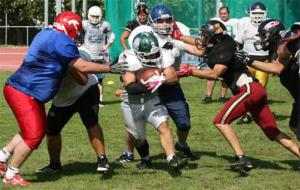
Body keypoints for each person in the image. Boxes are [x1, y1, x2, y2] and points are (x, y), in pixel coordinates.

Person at [0, 11, 123, 186]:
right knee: (34, 135)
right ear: (71, 28)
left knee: (31, 130)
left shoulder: (46, 33)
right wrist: (110, 68)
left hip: (22, 90)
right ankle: (12, 173)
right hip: (25, 92)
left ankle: (2, 157)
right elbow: (82, 67)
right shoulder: (62, 41)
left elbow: (80, 78)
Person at [176, 20, 300, 172]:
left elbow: (215, 74)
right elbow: (198, 44)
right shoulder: (221, 42)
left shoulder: (223, 48)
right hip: (256, 90)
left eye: (207, 36)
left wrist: (191, 71)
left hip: (248, 89)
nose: (204, 39)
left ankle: (242, 158)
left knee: (220, 121)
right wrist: (178, 37)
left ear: (215, 36)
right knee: (272, 131)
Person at [115, 5, 203, 164]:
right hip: (145, 87)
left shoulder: (176, 36)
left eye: (168, 20)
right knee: (134, 124)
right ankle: (128, 152)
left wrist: (183, 37)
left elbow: (199, 51)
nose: (165, 24)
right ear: (152, 22)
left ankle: (181, 145)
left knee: (184, 123)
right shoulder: (143, 36)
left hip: (168, 85)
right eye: (160, 21)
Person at [35, 47, 109, 174]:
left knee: (91, 122)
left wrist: (69, 67)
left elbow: (82, 80)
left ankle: (102, 159)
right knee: (52, 129)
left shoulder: (80, 53)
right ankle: (54, 164)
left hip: (86, 90)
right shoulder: (43, 61)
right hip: (62, 98)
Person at [120, 32, 187, 170]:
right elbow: (130, 87)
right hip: (132, 102)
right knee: (138, 136)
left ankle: (172, 158)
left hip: (152, 99)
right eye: (148, 54)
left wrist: (161, 79)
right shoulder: (130, 58)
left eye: (154, 53)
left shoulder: (163, 55)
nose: (152, 57)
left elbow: (173, 78)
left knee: (163, 125)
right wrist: (147, 85)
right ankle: (146, 158)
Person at [236, 20, 300, 140]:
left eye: (263, 36)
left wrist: (249, 60)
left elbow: (277, 68)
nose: (261, 40)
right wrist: (249, 60)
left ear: (274, 34)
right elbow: (277, 68)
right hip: (298, 98)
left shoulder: (289, 45)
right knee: (294, 126)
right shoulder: (281, 49)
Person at [235, 2, 269, 124]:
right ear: (249, 13)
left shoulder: (269, 24)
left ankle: (249, 114)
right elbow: (238, 42)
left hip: (263, 61)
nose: (257, 16)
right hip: (247, 61)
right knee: (246, 89)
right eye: (255, 13)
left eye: (260, 13)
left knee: (259, 88)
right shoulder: (244, 23)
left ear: (265, 14)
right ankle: (251, 112)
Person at [202, 6, 239, 104]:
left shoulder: (235, 22)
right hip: (215, 49)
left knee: (224, 75)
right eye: (221, 13)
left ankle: (222, 96)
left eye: (225, 13)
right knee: (211, 72)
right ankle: (208, 96)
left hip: (227, 50)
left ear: (228, 13)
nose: (223, 15)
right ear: (219, 14)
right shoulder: (215, 22)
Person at [82, 6, 116, 106]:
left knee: (99, 80)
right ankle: (86, 100)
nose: (94, 19)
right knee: (86, 79)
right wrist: (80, 44)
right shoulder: (85, 24)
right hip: (87, 56)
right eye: (93, 16)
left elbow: (112, 36)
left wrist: (107, 46)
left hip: (99, 57)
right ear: (89, 15)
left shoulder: (104, 25)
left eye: (97, 17)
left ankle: (99, 100)